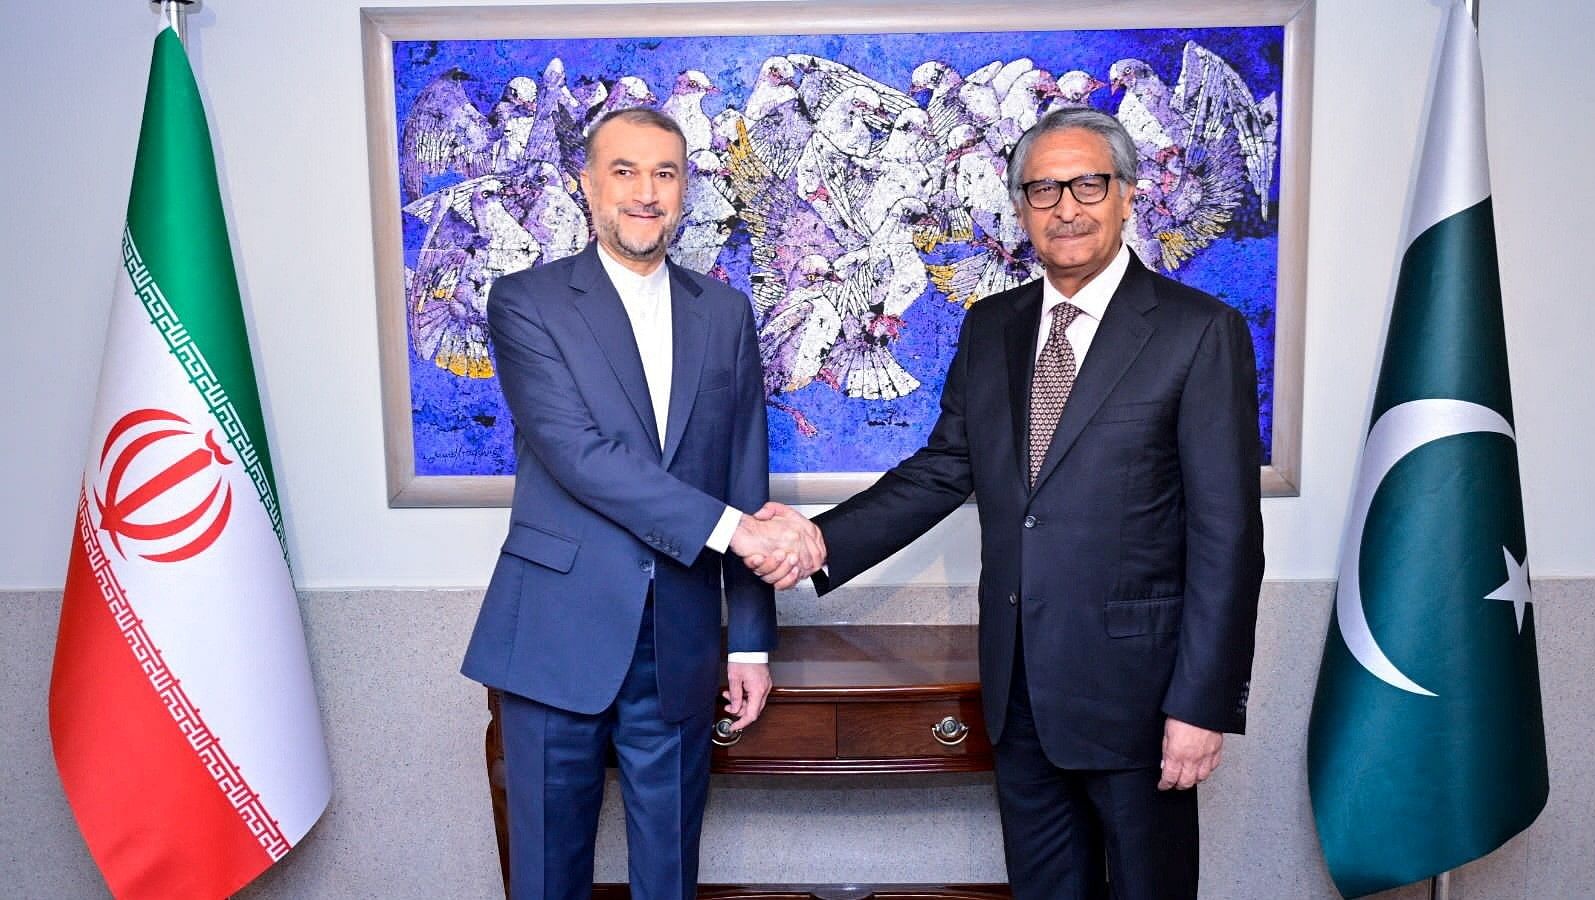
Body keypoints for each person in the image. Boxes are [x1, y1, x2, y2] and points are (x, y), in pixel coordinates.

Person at [753, 107, 1264, 899]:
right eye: (1043, 189)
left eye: (1088, 184)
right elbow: (942, 469)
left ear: (1127, 196)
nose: (1067, 206)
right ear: (1020, 208)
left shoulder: (1199, 332)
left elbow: (1229, 537)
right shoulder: (990, 326)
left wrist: (1201, 706)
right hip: (1019, 690)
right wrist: (819, 541)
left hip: (1140, 698)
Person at [462, 107, 821, 900]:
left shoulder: (723, 312)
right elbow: (580, 456)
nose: (646, 192)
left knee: (670, 875)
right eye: (624, 171)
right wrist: (741, 536)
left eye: (665, 173)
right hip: (556, 633)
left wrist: (751, 642)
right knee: (549, 874)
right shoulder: (527, 302)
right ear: (588, 185)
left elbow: (742, 471)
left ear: (684, 190)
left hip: (681, 638)